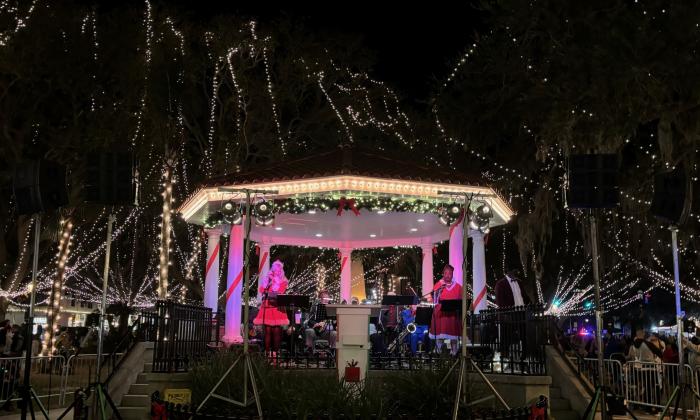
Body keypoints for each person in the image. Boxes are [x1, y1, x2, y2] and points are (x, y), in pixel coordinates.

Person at [253, 260, 289, 357]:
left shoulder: (283, 281)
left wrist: (276, 282)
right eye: (274, 270)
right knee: (268, 331)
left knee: (276, 331)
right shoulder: (268, 279)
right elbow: (261, 290)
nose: (275, 272)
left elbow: (280, 291)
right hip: (267, 306)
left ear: (280, 271)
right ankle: (267, 352)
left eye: (277, 270)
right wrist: (267, 282)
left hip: (277, 307)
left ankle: (275, 354)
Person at [428, 264, 462, 356]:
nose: (447, 275)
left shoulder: (458, 287)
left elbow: (461, 302)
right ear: (443, 274)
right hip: (441, 314)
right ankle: (438, 354)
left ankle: (454, 353)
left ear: (452, 274)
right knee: (440, 336)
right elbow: (434, 299)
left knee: (453, 337)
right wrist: (438, 292)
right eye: (446, 273)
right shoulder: (438, 285)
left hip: (452, 314)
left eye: (450, 273)